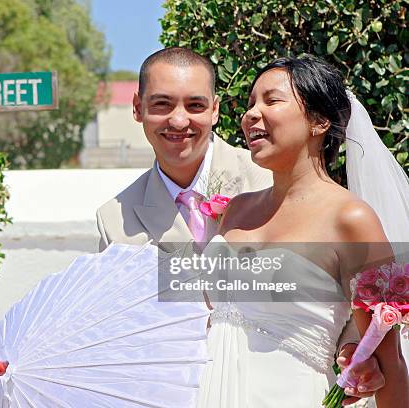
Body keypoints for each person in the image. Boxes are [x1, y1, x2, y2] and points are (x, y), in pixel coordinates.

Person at [96, 47, 386, 405]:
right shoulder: (114, 219)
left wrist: (354, 350)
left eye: (196, 105)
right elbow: (119, 332)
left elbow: (346, 303)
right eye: (161, 105)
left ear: (215, 109)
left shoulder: (272, 170)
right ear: (138, 108)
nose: (179, 120)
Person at [197, 55, 408, 407]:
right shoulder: (236, 210)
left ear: (319, 120)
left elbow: (389, 362)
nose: (251, 114)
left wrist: (352, 350)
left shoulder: (351, 219)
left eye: (271, 100)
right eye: (250, 103)